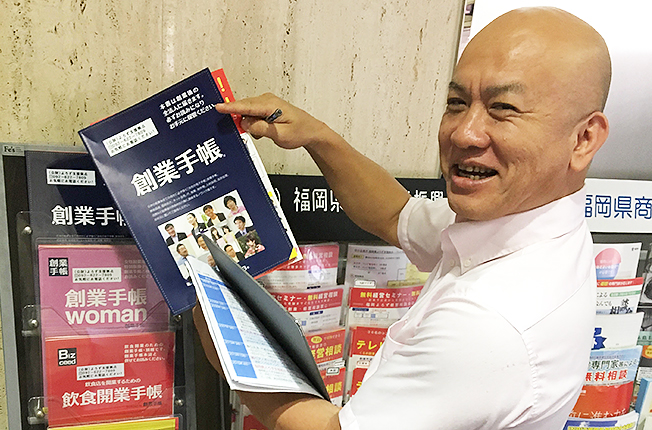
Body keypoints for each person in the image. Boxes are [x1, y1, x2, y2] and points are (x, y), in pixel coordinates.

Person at [195, 7, 611, 430]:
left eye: (503, 108)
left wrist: (230, 346)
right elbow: (396, 214)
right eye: (457, 103)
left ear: (584, 139)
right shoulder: (526, 222)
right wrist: (316, 136)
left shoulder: (489, 325)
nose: (464, 132)